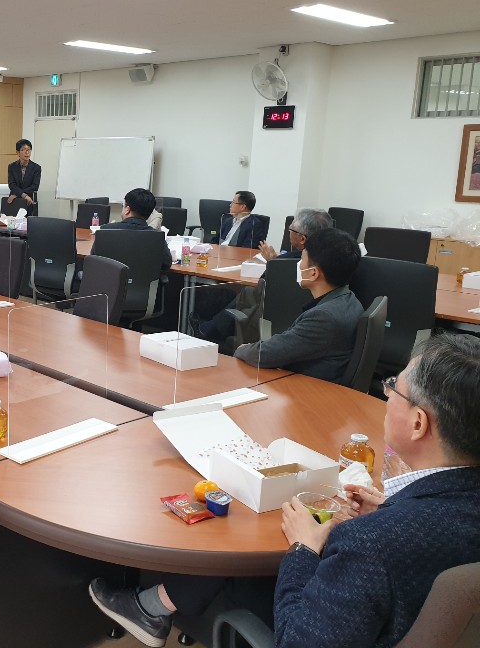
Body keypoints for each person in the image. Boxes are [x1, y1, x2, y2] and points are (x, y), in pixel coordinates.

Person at [90, 332, 480, 648]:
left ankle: (151, 606)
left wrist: (302, 550)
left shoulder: (370, 545)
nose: (388, 395)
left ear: (417, 424)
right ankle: (156, 604)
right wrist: (391, 511)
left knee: (248, 545)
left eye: (394, 389)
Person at [233, 228, 363, 383]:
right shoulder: (348, 300)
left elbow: (265, 354)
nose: (299, 265)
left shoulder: (324, 318)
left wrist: (243, 349)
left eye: (302, 260)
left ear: (313, 273)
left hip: (304, 388)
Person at [197, 208, 334, 343]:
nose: (289, 233)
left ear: (302, 239)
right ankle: (211, 328)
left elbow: (263, 285)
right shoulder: (331, 262)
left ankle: (209, 330)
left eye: (291, 230)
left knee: (242, 293)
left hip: (269, 321)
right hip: (309, 327)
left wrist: (273, 263)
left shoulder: (285, 263)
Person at [7, 138, 41, 215]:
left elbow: (35, 186)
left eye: (29, 150)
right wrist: (24, 195)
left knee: (29, 221)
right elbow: (12, 184)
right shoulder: (12, 167)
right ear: (17, 152)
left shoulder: (36, 168)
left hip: (29, 201)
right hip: (15, 201)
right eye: (23, 150)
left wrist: (18, 194)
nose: (27, 152)